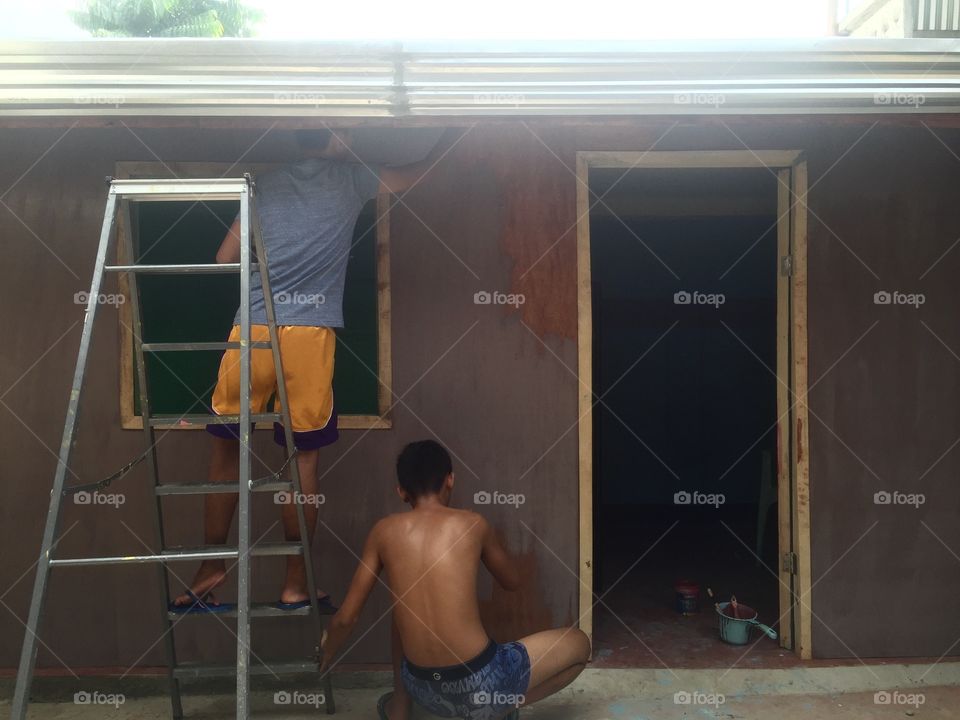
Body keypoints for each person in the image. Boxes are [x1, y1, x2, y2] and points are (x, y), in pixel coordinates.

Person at [171, 128, 464, 613]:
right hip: (308, 338)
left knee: (226, 453)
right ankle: (295, 583)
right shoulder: (352, 180)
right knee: (300, 462)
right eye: (344, 129)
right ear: (331, 137)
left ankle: (209, 568)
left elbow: (224, 257)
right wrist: (453, 137)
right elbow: (415, 176)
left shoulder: (261, 185)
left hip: (252, 333)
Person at [320, 440, 591, 720]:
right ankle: (495, 709)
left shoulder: (382, 531)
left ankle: (399, 708)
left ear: (401, 491)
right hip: (483, 684)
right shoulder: (473, 524)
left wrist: (327, 651)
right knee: (579, 645)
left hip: (421, 687)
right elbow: (512, 581)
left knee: (402, 608)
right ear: (450, 480)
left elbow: (346, 618)